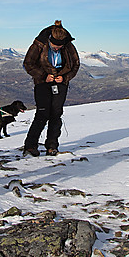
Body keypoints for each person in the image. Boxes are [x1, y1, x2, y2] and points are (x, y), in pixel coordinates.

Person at [22, 21, 80, 156]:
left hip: (60, 83)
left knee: (56, 114)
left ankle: (52, 146)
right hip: (42, 83)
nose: (57, 48)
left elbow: (75, 64)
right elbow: (28, 63)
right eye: (55, 46)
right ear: (49, 40)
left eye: (60, 46)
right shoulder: (39, 44)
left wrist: (65, 78)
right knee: (42, 113)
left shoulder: (68, 46)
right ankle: (30, 147)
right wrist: (43, 76)